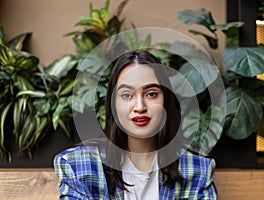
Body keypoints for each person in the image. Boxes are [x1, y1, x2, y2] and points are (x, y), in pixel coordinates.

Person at [54, 50, 218, 200]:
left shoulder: (198, 168)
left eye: (151, 94)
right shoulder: (78, 166)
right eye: (126, 95)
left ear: (166, 101)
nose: (140, 107)